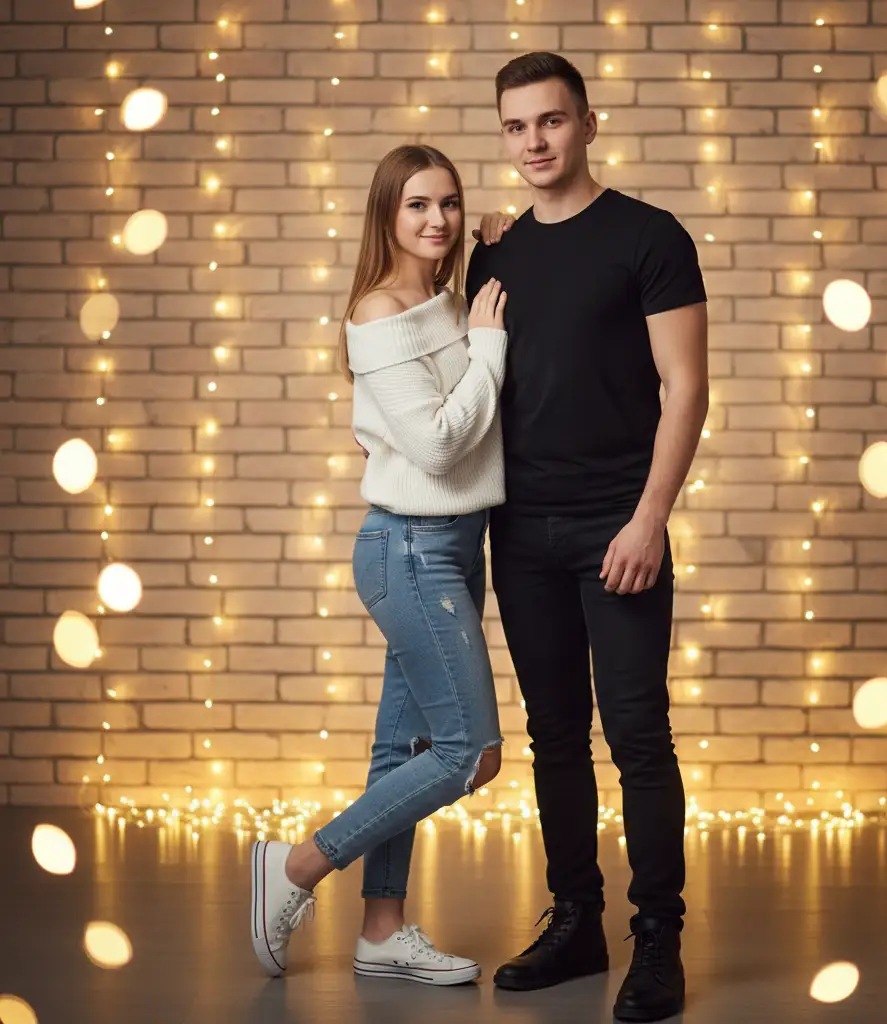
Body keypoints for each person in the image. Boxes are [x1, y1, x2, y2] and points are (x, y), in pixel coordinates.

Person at [466, 53, 709, 1023]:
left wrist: (649, 516)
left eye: (551, 122)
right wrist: (487, 240)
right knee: (554, 736)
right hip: (518, 532)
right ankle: (575, 919)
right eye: (517, 127)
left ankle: (658, 940)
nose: (534, 142)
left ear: (588, 123)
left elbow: (685, 387)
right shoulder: (496, 255)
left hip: (619, 525)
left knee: (638, 736)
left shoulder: (649, 238)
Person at [250, 144, 510, 986]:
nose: (439, 220)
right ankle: (295, 869)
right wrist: (490, 348)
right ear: (387, 217)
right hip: (410, 549)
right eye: (418, 207)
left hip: (456, 547)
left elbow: (460, 371)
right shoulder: (377, 313)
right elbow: (438, 444)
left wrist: (500, 250)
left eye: (451, 203)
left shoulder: (441, 299)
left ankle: (381, 931)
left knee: (405, 752)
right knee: (468, 753)